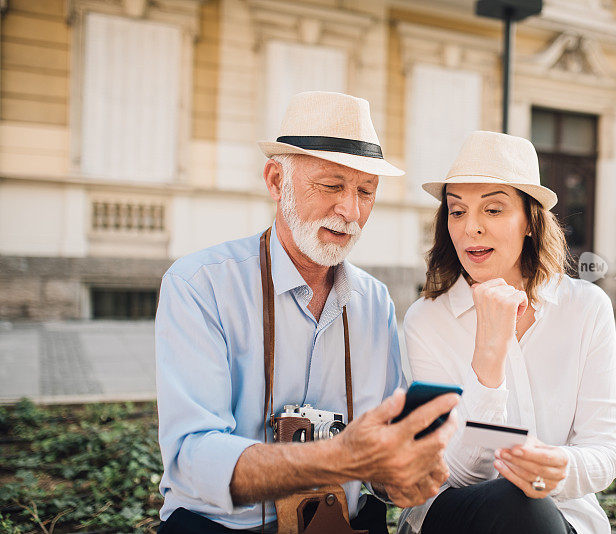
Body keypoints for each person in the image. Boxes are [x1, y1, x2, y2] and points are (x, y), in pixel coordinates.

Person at [155, 91, 458, 534]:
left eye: (366, 191)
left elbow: (381, 464)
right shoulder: (200, 285)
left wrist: (402, 476)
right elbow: (191, 458)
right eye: (332, 186)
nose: (350, 211)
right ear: (276, 180)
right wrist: (337, 458)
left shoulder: (375, 302)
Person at [398, 131, 616, 534]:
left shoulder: (586, 309)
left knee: (532, 504)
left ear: (530, 222)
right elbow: (455, 473)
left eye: (493, 210)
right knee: (517, 501)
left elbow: (606, 451)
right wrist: (489, 354)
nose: (471, 228)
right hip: (455, 517)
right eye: (457, 211)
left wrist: (560, 469)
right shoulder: (425, 321)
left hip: (561, 516)